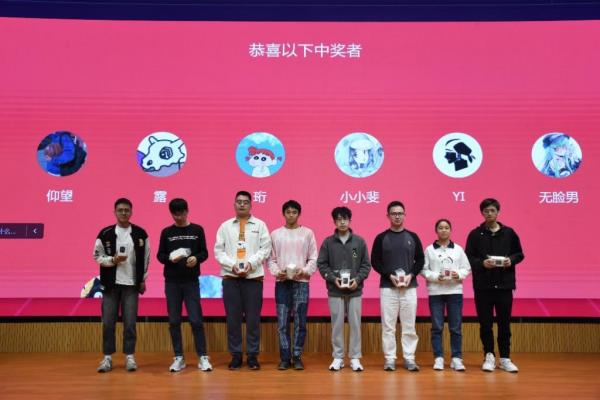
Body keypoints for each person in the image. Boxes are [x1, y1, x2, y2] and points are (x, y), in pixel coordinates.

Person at [465, 198, 524, 373]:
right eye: (486, 211)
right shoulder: (475, 234)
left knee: (504, 324)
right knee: (485, 324)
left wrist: (510, 260)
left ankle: (505, 358)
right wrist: (482, 263)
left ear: (498, 212)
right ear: (482, 213)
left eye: (492, 210)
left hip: (504, 286)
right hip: (483, 287)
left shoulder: (509, 233)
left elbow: (519, 254)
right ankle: (489, 356)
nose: (489, 213)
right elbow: (468, 257)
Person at [214, 191, 271, 370]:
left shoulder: (260, 225)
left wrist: (250, 264)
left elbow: (265, 249)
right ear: (234, 204)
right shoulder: (225, 226)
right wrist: (232, 265)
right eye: (238, 202)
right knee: (233, 319)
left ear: (251, 205)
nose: (242, 204)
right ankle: (236, 355)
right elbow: (218, 251)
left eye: (245, 202)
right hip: (231, 278)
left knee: (253, 320)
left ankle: (252, 355)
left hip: (253, 279)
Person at [93, 198, 149, 373]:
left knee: (130, 323)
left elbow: (146, 258)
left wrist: (142, 279)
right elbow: (97, 256)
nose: (124, 213)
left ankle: (130, 356)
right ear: (115, 212)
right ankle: (107, 358)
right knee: (108, 323)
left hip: (131, 285)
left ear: (131, 212)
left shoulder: (140, 233)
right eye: (120, 210)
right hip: (110, 286)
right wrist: (113, 260)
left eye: (127, 210)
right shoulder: (105, 233)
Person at [157, 198, 212, 372]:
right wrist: (170, 258)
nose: (178, 217)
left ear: (187, 211)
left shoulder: (197, 230)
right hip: (172, 282)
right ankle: (179, 357)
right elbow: (160, 256)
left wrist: (196, 258)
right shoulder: (166, 232)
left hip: (191, 281)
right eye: (175, 214)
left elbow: (204, 253)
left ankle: (202, 356)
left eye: (181, 213)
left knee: (196, 319)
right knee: (174, 320)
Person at [371, 201, 424, 372]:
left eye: (400, 213)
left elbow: (420, 260)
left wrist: (411, 275)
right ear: (388, 216)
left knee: (409, 325)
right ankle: (390, 359)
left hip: (409, 288)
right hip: (388, 288)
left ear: (405, 215)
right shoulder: (381, 238)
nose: (397, 216)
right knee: (388, 326)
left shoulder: (413, 237)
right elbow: (375, 261)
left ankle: (409, 358)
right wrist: (389, 276)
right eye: (394, 213)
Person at [317, 206, 371, 372]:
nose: (342, 222)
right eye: (339, 219)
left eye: (345, 219)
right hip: (335, 291)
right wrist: (334, 279)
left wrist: (358, 279)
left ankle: (355, 357)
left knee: (355, 324)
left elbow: (365, 265)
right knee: (337, 325)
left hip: (355, 290)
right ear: (334, 221)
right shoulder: (328, 242)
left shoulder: (358, 242)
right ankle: (338, 357)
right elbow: (322, 265)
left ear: (349, 220)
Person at [268, 200, 318, 370]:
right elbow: (271, 259)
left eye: (294, 212)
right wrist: (277, 272)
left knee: (300, 321)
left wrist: (304, 271)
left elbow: (313, 258)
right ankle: (284, 358)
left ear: (299, 214)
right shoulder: (275, 234)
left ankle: (297, 356)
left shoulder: (307, 233)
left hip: (301, 283)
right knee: (282, 323)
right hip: (282, 283)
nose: (291, 215)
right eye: (288, 212)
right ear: (283, 214)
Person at [421, 219, 471, 371]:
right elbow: (423, 269)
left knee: (455, 327)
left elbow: (467, 268)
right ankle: (439, 358)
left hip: (454, 292)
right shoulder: (429, 250)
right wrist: (436, 277)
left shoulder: (458, 249)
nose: (443, 230)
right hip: (436, 292)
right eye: (440, 228)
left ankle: (456, 358)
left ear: (450, 230)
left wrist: (458, 274)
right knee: (437, 327)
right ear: (436, 230)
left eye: (446, 228)